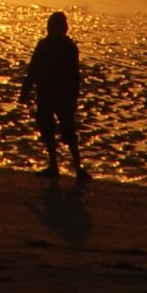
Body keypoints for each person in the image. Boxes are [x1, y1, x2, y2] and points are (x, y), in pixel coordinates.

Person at [20, 10, 88, 181]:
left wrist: (26, 91)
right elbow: (35, 69)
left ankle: (69, 167)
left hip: (55, 93)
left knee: (63, 131)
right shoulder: (64, 46)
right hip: (54, 93)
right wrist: (26, 90)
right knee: (55, 130)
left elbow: (34, 70)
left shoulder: (60, 46)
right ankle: (69, 167)